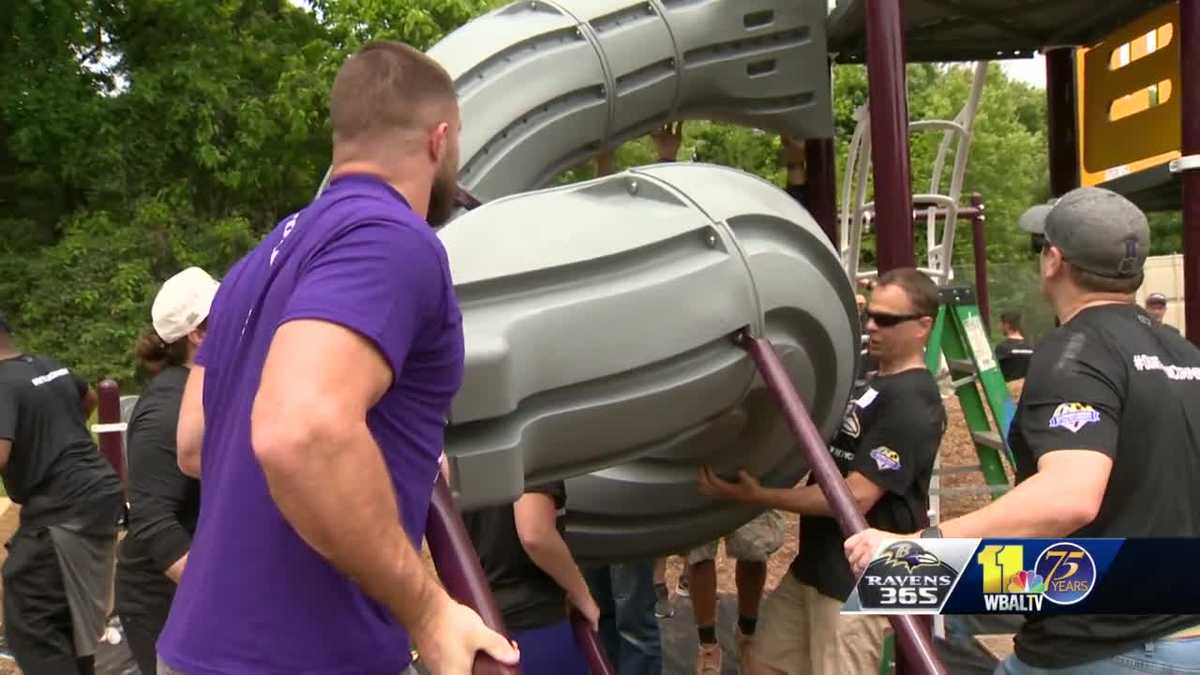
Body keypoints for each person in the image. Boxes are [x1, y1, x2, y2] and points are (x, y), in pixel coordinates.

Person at [155, 41, 518, 675]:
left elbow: (192, 444)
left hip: (196, 650)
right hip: (309, 655)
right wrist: (429, 612)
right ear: (439, 140)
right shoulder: (391, 240)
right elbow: (302, 431)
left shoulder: (253, 266)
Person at [846, 187, 1200, 673]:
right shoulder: (1183, 355)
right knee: (941, 612)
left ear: (1053, 260)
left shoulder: (1077, 351)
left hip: (1105, 647)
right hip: (1175, 622)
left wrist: (922, 547)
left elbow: (1068, 498)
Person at [699, 268, 947, 675]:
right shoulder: (870, 376)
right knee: (763, 664)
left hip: (860, 580)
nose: (872, 326)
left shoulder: (913, 402)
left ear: (923, 327)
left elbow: (856, 497)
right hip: (815, 565)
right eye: (870, 314)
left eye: (886, 319)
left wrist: (760, 496)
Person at [582, 143, 666, 675]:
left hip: (628, 487)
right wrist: (603, 169)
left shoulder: (644, 330)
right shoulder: (590, 326)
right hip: (588, 485)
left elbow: (643, 234)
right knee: (599, 608)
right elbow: (603, 231)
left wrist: (659, 161)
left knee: (633, 612)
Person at [0, 313, 124, 675]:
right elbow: (86, 399)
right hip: (97, 489)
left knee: (31, 612)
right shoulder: (45, 365)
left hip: (63, 502)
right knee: (71, 609)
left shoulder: (3, 384)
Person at [114, 267, 216, 674]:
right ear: (198, 334)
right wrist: (224, 593)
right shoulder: (165, 409)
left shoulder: (204, 389)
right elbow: (154, 521)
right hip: (164, 604)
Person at [463, 480, 599, 675]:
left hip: (481, 625)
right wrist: (581, 594)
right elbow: (535, 534)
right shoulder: (531, 450)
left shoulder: (453, 451)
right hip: (536, 623)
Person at [684, 510, 784, 674]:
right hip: (694, 486)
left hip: (753, 486)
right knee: (699, 554)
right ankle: (708, 646)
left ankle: (746, 637)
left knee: (754, 548)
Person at [994, 310, 1033, 381]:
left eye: (1001, 323)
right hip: (1027, 389)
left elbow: (994, 372)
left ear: (1006, 325)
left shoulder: (1003, 348)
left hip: (1007, 389)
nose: (999, 326)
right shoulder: (1031, 347)